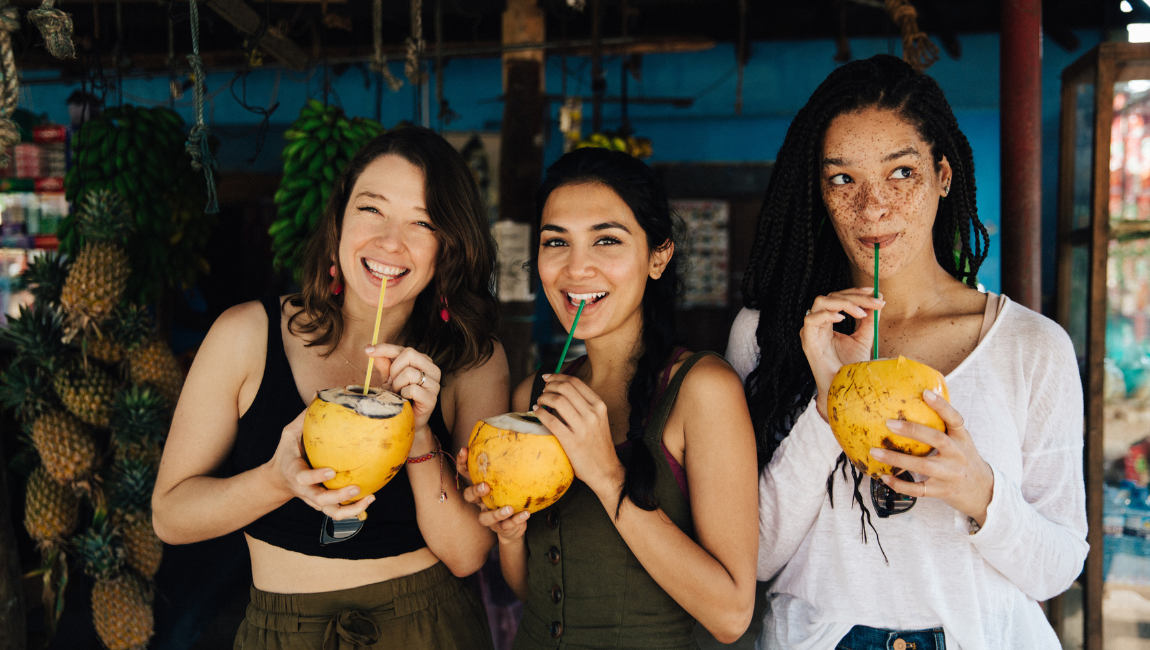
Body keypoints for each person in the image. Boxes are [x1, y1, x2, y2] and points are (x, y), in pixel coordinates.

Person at [726, 54, 1088, 650]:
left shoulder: (1031, 346)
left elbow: (1056, 568)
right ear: (818, 190)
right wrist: (828, 401)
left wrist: (977, 488)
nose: (873, 207)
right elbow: (755, 557)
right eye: (842, 179)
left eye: (901, 173)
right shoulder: (767, 335)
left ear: (943, 175)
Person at [153, 126, 507, 649]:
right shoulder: (246, 335)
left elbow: (467, 554)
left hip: (425, 629)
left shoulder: (471, 360)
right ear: (339, 218)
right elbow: (171, 516)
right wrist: (277, 480)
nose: (390, 241)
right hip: (280, 632)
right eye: (372, 209)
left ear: (447, 247)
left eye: (423, 222)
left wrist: (418, 435)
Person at [460, 147, 759, 649]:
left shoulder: (703, 390)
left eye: (606, 240)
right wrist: (509, 532)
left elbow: (731, 615)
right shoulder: (533, 394)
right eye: (557, 241)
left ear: (658, 256)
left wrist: (606, 475)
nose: (577, 268)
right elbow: (532, 592)